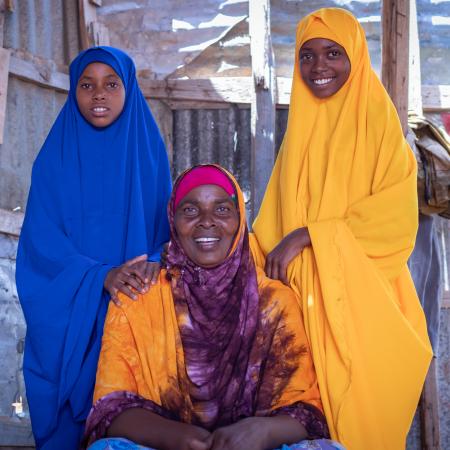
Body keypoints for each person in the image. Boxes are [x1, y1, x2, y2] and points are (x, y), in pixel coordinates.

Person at [249, 8, 433, 450]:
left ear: (355, 56)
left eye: (333, 53)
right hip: (302, 316)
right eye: (307, 56)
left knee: (358, 427)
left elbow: (395, 223)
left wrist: (310, 234)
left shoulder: (381, 127)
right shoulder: (299, 134)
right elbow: (269, 228)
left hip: (364, 308)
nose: (319, 67)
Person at [82, 164, 345, 450]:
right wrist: (181, 438)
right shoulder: (140, 295)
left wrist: (264, 431)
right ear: (173, 221)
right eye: (190, 210)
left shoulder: (274, 301)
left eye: (221, 210)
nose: (206, 221)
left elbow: (305, 409)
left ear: (239, 220)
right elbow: (110, 408)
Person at [16, 46, 172, 449]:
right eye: (87, 85)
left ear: (129, 89)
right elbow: (40, 245)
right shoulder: (54, 158)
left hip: (133, 307)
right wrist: (99, 276)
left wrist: (152, 264)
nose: (98, 94)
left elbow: (168, 232)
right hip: (72, 313)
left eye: (111, 84)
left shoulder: (149, 151)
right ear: (74, 91)